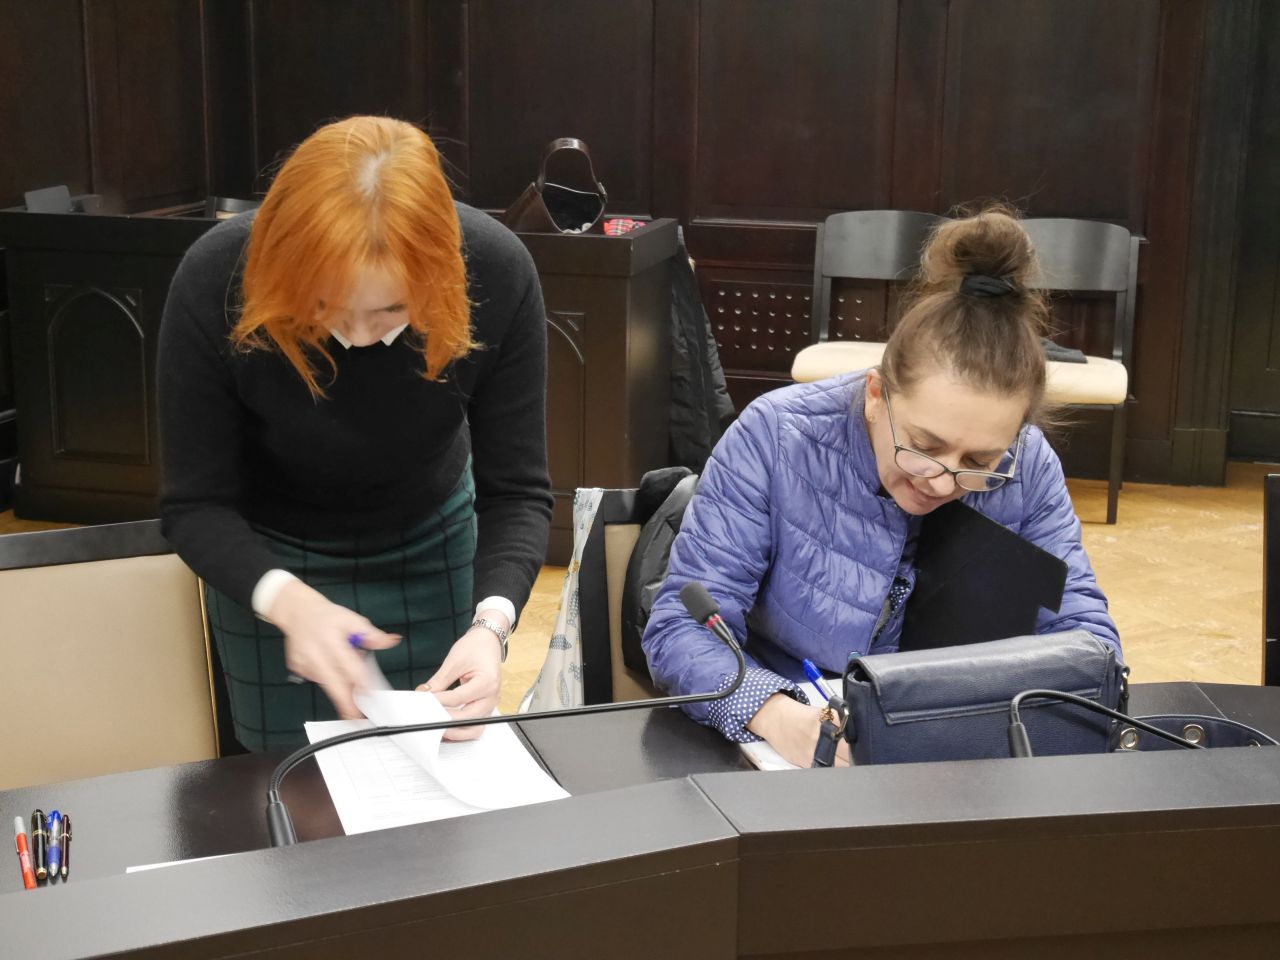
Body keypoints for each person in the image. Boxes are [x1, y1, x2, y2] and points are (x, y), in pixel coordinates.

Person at [642, 205, 1120, 768]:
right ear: (875, 395)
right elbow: (682, 629)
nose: (942, 480)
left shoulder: (1028, 466)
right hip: (787, 731)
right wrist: (775, 712)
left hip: (955, 750)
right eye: (924, 444)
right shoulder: (777, 437)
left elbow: (1090, 646)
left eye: (979, 460)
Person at [158, 116, 552, 751]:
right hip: (265, 554)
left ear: (441, 277)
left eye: (393, 311)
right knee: (275, 778)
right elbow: (194, 505)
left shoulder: (496, 270)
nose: (361, 337)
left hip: (430, 538)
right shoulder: (218, 276)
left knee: (440, 764)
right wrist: (289, 603)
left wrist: (491, 628)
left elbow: (518, 492)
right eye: (326, 308)